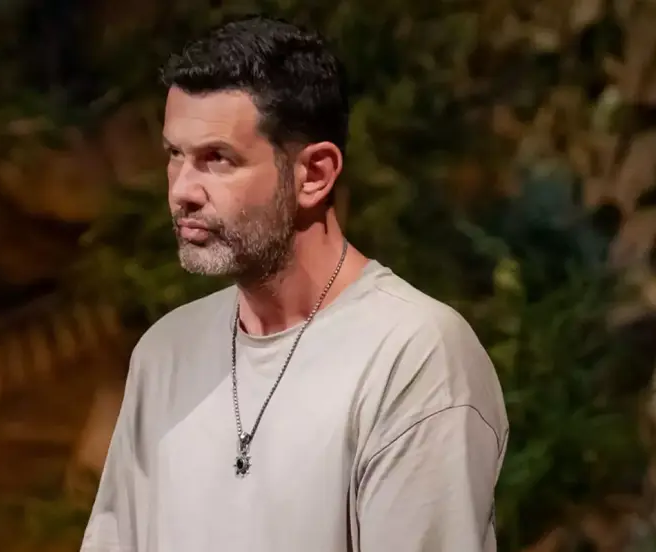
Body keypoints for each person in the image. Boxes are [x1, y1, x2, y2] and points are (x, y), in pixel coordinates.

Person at [81, 15, 509, 552]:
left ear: (315, 174)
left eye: (217, 159)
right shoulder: (165, 352)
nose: (182, 191)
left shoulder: (413, 356)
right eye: (175, 156)